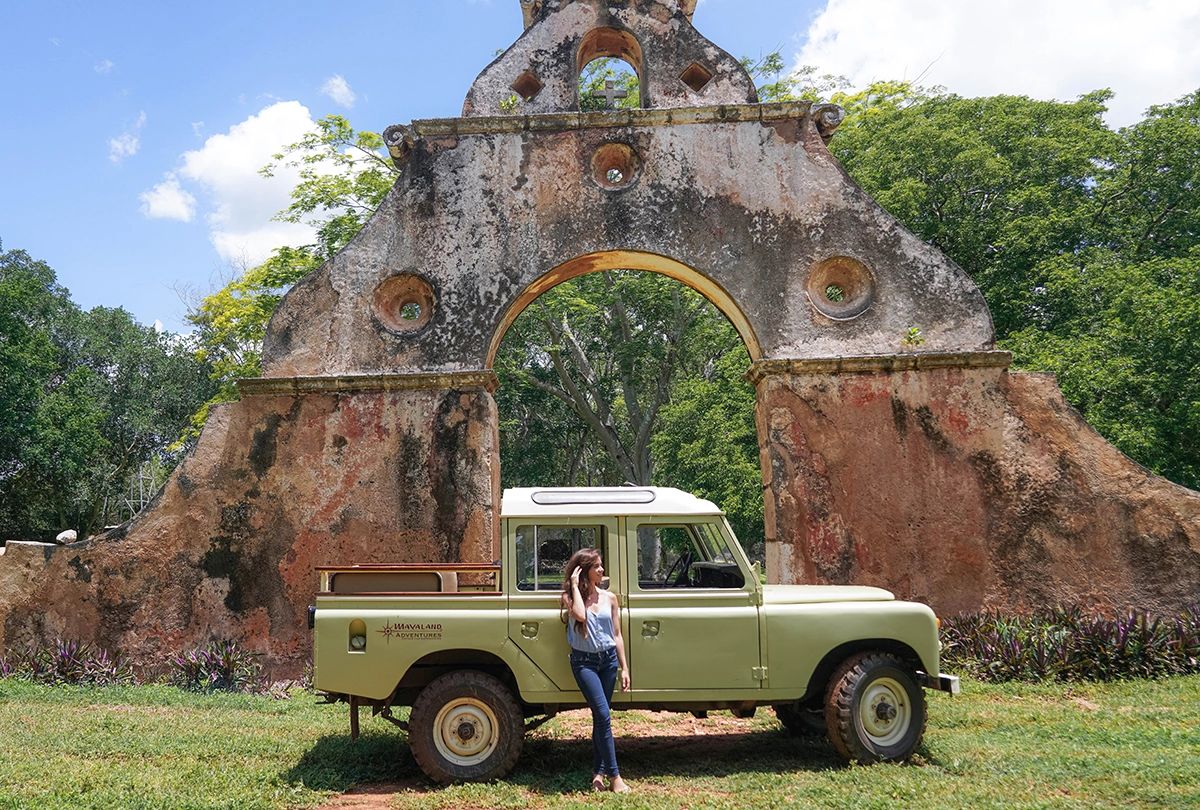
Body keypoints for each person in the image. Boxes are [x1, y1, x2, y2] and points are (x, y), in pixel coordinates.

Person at [561, 548, 631, 793]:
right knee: (603, 716)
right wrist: (572, 582)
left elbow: (617, 635)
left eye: (601, 566)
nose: (602, 570)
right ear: (584, 571)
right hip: (584, 663)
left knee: (600, 718)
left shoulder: (610, 598)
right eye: (597, 567)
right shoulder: (569, 597)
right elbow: (580, 616)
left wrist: (624, 668)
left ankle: (597, 774)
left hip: (608, 661)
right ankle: (615, 777)